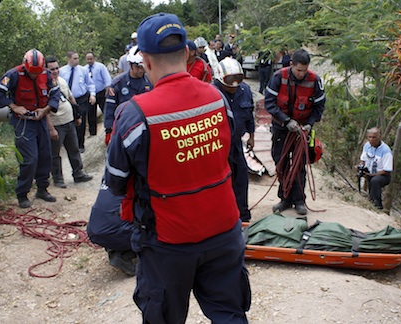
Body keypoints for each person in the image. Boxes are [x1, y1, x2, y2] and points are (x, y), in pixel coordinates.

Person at [105, 13, 251, 323]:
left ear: (145, 61)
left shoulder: (134, 115)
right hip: (224, 230)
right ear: (186, 53)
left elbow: (116, 181)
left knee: (163, 316)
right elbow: (230, 157)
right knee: (229, 313)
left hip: (169, 241)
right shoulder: (217, 98)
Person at [0, 49, 60, 208]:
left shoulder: (47, 74)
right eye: (32, 73)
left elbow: (55, 93)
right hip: (24, 123)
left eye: (37, 73)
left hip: (40, 119)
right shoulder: (13, 75)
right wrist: (14, 106)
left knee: (45, 156)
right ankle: (22, 193)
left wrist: (46, 109)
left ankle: (42, 189)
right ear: (25, 65)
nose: (34, 76)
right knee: (30, 160)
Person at [265, 48, 326, 215]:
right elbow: (269, 103)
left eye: (304, 70)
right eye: (299, 70)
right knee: (281, 162)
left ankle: (299, 200)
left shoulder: (315, 81)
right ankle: (285, 198)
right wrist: (286, 121)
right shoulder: (279, 77)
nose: (301, 74)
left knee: (299, 165)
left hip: (302, 130)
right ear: (291, 65)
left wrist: (310, 124)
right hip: (281, 128)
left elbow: (319, 106)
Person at [213, 57, 255, 222]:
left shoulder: (244, 91)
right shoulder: (211, 93)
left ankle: (242, 215)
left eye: (238, 78)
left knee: (241, 179)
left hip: (237, 144)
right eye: (231, 80)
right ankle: (222, 217)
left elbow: (249, 116)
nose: (235, 84)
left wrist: (251, 136)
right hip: (217, 148)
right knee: (221, 182)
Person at [45, 57, 93, 188]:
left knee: (74, 149)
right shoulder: (43, 86)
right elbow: (43, 110)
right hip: (56, 123)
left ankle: (78, 173)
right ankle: (58, 178)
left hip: (69, 121)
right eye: (51, 69)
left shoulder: (61, 81)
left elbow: (70, 97)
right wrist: (51, 129)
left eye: (56, 68)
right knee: (55, 154)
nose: (55, 71)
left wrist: (77, 115)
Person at [103, 47, 153, 145]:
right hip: (125, 126)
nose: (140, 71)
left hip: (146, 125)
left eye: (142, 67)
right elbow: (110, 107)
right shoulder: (117, 83)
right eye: (137, 67)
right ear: (130, 65)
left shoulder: (150, 81)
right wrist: (109, 130)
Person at [87, 179, 137, 276]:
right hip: (112, 231)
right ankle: (123, 255)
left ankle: (115, 248)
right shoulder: (138, 176)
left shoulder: (111, 174)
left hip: (94, 230)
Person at [60, 51, 96, 153]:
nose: (77, 60)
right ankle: (70, 144)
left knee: (81, 121)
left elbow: (90, 83)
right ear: (69, 59)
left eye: (77, 58)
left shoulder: (83, 70)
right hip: (67, 100)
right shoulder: (62, 71)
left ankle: (80, 144)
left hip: (81, 99)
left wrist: (92, 95)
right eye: (74, 58)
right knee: (69, 121)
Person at [358, 127, 393, 209]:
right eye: (369, 137)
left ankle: (376, 205)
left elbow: (387, 170)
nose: (371, 139)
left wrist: (372, 174)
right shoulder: (367, 146)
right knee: (359, 173)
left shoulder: (386, 150)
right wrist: (361, 166)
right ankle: (361, 195)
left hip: (382, 175)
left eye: (374, 137)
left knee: (375, 181)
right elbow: (363, 159)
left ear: (379, 137)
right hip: (369, 171)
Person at [85, 52, 112, 119]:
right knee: (91, 114)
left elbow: (107, 78)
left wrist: (108, 89)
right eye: (88, 59)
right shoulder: (84, 69)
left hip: (101, 92)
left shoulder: (100, 67)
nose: (89, 61)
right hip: (90, 94)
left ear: (94, 58)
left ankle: (108, 126)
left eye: (91, 59)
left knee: (105, 110)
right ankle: (92, 129)